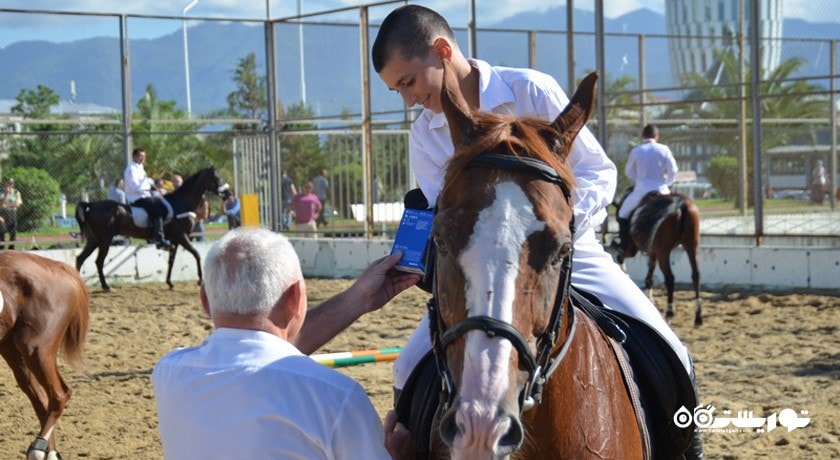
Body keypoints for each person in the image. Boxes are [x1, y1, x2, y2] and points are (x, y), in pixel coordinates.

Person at [372, 7, 700, 451]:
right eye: (397, 90)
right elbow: (442, 214)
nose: (408, 100)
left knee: (672, 350)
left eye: (408, 82)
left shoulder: (530, 89)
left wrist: (555, 234)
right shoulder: (425, 135)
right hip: (477, 270)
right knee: (407, 365)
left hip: (566, 250)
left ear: (442, 51)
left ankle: (688, 449)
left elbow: (599, 171)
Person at [152, 227, 420, 459]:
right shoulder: (336, 396)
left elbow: (257, 359)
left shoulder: (169, 372)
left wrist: (358, 298)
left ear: (205, 300)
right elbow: (269, 360)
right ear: (296, 295)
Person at [615, 124, 679, 255]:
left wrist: (639, 179)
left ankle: (625, 245)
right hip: (662, 190)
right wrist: (666, 182)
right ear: (657, 136)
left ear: (642, 135)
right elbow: (673, 170)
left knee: (622, 213)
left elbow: (628, 172)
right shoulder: (664, 149)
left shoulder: (636, 150)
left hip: (641, 190)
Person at [124, 147, 172, 249]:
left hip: (145, 196)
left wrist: (153, 184)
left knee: (162, 204)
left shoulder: (140, 168)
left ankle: (154, 233)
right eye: (140, 156)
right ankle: (159, 239)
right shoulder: (131, 169)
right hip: (137, 198)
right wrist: (149, 186)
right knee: (156, 208)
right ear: (134, 156)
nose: (142, 158)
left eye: (144, 156)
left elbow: (146, 181)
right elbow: (135, 187)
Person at [0, 178, 22, 250]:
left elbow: (18, 204)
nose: (9, 185)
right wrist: (7, 193)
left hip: (12, 212)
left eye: (11, 184)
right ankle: (1, 246)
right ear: (6, 184)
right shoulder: (2, 192)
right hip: (3, 213)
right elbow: (1, 204)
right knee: (2, 230)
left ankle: (11, 247)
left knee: (13, 231)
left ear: (13, 185)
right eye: (8, 183)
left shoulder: (16, 192)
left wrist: (7, 206)